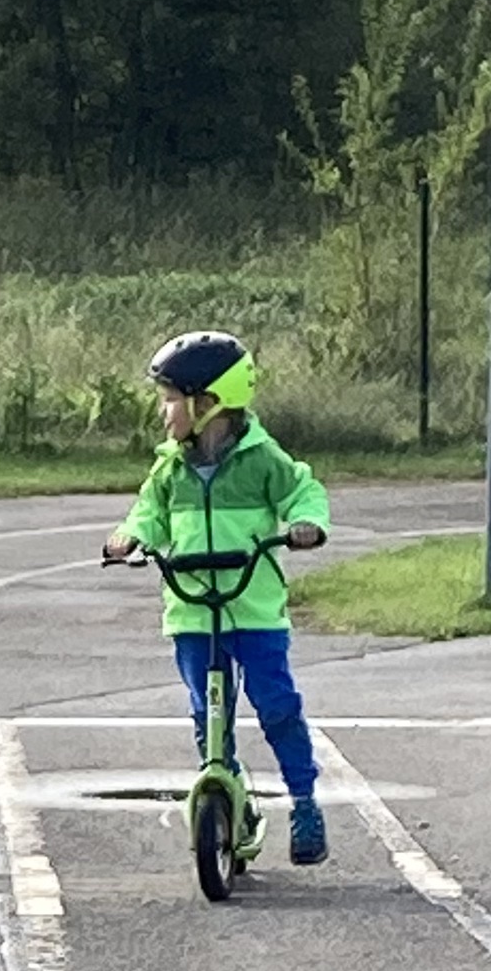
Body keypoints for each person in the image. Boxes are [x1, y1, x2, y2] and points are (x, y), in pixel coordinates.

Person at [104, 330, 334, 866]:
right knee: (209, 711)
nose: (163, 413)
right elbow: (148, 513)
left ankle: (304, 803)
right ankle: (226, 787)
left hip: (252, 608)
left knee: (277, 705)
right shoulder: (170, 468)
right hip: (192, 609)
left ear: (208, 402)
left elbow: (303, 490)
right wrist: (130, 537)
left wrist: (306, 522)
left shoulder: (261, 459)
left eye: (170, 400)